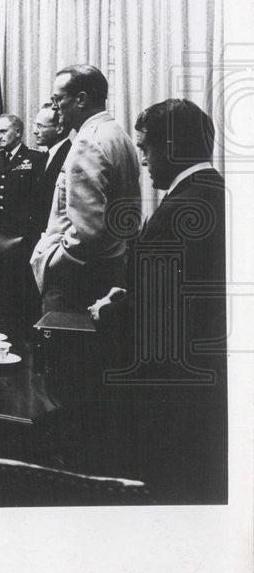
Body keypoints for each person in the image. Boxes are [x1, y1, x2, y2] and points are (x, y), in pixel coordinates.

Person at [69, 99, 225, 502]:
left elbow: (167, 317)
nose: (141, 160)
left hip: (173, 393)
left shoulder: (182, 208)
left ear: (171, 148)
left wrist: (112, 309)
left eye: (146, 148)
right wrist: (133, 293)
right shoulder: (211, 193)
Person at [30, 65, 140, 314]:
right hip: (110, 272)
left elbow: (86, 233)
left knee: (62, 350)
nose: (54, 107)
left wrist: (50, 263)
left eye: (58, 99)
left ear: (81, 99)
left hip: (77, 281)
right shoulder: (118, 134)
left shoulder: (87, 142)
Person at [0, 114, 45, 232]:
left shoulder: (36, 159)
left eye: (3, 131)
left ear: (18, 132)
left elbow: (39, 202)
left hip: (22, 232)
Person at [29, 102, 72, 236]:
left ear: (59, 128)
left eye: (40, 126)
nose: (35, 131)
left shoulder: (70, 157)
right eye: (35, 125)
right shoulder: (44, 157)